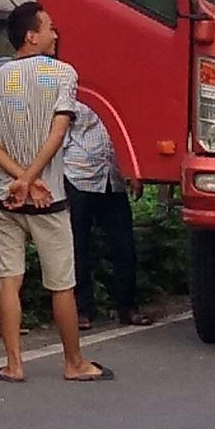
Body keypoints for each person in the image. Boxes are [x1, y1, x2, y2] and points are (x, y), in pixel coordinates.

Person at [0, 2, 111, 384]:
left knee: (9, 278)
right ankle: (74, 361)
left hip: (6, 197)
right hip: (48, 198)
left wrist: (18, 178)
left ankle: (14, 364)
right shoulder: (62, 74)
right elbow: (58, 132)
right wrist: (34, 178)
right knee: (62, 283)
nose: (55, 34)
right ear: (31, 35)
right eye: (49, 27)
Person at [60, 94, 139, 327]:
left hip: (112, 177)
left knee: (124, 246)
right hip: (78, 175)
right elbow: (59, 136)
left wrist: (135, 172)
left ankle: (127, 306)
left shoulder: (122, 96)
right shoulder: (71, 96)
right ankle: (82, 309)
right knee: (78, 246)